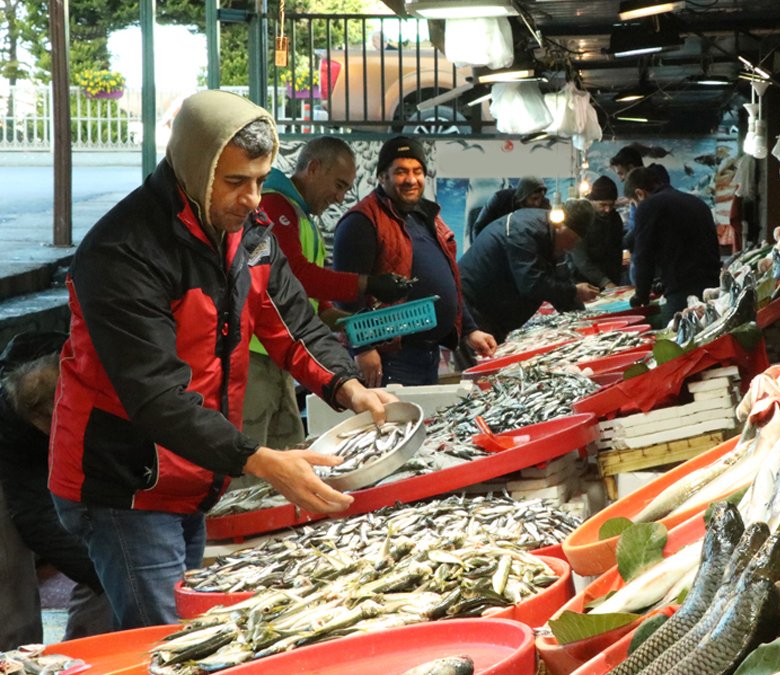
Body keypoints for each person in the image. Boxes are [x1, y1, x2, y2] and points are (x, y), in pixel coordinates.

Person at [49, 90, 398, 630]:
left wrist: (348, 388)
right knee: (174, 639)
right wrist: (258, 459)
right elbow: (155, 396)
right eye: (236, 181)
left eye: (260, 180)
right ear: (195, 165)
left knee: (143, 626)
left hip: (194, 474)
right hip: (127, 481)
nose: (254, 199)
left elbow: (293, 324)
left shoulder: (248, 235)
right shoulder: (124, 250)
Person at [247, 136, 412, 449]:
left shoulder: (303, 220)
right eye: (338, 185)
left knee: (290, 448)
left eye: (346, 189)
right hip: (256, 358)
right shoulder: (273, 206)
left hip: (282, 360)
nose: (339, 198)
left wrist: (355, 324)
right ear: (313, 168)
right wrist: (369, 283)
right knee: (254, 454)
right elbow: (298, 275)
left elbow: (316, 307)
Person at [333, 136, 497, 386]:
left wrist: (469, 330)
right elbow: (346, 292)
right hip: (389, 358)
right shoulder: (361, 221)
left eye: (417, 171)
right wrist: (362, 348)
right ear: (381, 177)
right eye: (400, 172)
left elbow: (449, 280)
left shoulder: (427, 216)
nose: (411, 179)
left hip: (427, 355)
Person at [0, 333, 111, 648]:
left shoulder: (100, 383)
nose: (50, 423)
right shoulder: (11, 420)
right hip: (17, 480)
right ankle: (17, 658)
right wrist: (99, 568)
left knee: (114, 550)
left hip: (87, 466)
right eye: (42, 419)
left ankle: (90, 650)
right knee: (10, 579)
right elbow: (33, 515)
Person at [459, 200, 599, 343]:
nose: (571, 246)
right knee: (483, 361)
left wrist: (585, 324)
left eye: (576, 241)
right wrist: (574, 291)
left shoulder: (553, 239)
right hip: (472, 310)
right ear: (559, 225)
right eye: (572, 239)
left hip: (496, 316)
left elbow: (561, 280)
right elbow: (532, 284)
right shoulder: (523, 230)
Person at [626, 166, 721, 317]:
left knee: (679, 338)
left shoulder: (648, 207)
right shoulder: (696, 202)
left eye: (633, 203)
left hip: (681, 292)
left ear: (639, 193)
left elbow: (644, 256)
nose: (635, 207)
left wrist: (641, 295)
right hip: (713, 287)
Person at [568, 176, 625, 290]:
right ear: (592, 201)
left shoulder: (615, 218)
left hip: (609, 280)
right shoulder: (581, 219)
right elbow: (581, 260)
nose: (608, 210)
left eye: (611, 205)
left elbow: (617, 253)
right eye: (603, 205)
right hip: (582, 282)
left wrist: (614, 282)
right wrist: (605, 282)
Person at [469, 176, 548, 242]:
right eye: (534, 199)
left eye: (541, 198)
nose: (538, 203)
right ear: (524, 196)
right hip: (498, 241)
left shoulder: (544, 205)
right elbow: (478, 227)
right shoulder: (500, 199)